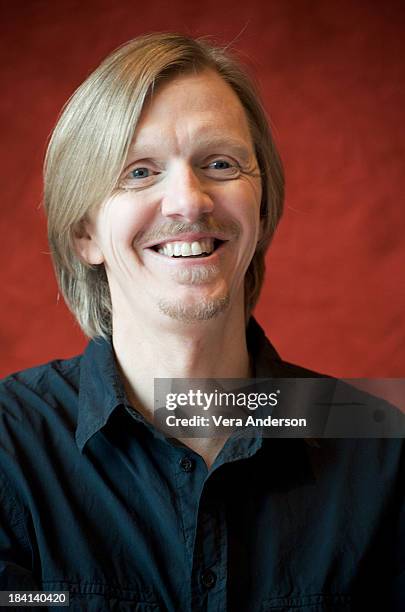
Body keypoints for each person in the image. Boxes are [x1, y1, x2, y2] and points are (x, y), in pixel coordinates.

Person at [0, 33, 403, 611]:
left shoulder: (380, 451)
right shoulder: (10, 449)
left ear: (261, 211)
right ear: (84, 231)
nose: (188, 202)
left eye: (220, 163)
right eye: (138, 172)